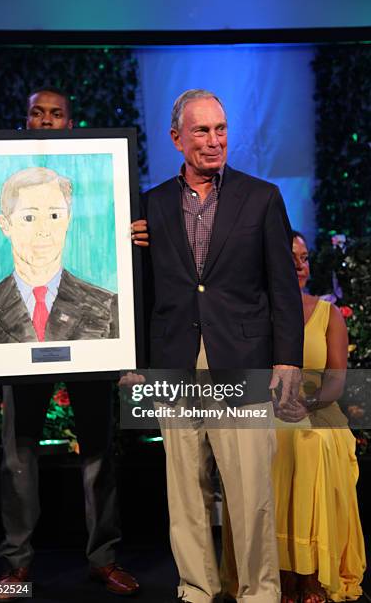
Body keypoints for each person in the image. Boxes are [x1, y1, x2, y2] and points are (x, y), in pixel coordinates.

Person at [132, 89, 304, 603]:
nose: (214, 141)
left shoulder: (262, 197)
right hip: (175, 364)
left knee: (251, 493)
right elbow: (143, 289)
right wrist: (135, 362)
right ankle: (197, 589)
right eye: (202, 131)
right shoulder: (151, 205)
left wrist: (287, 359)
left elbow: (282, 289)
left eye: (221, 129)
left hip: (243, 362)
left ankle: (259, 592)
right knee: (185, 491)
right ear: (177, 138)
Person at [0, 88, 139, 599]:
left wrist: (134, 232)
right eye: (38, 112)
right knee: (18, 450)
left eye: (57, 114)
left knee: (99, 448)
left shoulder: (99, 175)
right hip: (16, 341)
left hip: (93, 340)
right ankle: (16, 564)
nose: (47, 120)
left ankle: (105, 557)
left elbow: (117, 228)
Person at [220, 231, 366, 603]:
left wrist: (309, 403)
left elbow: (336, 380)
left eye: (304, 258)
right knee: (272, 440)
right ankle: (279, 573)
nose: (300, 266)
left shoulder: (327, 313)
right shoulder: (251, 314)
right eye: (291, 258)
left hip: (316, 408)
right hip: (264, 408)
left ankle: (311, 574)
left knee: (310, 443)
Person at [0, 166, 118, 343]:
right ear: (5, 224)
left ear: (68, 219)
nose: (44, 230)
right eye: (29, 218)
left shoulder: (108, 307)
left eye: (54, 216)